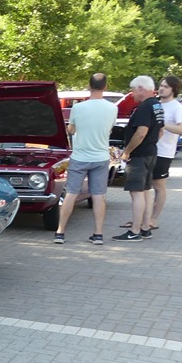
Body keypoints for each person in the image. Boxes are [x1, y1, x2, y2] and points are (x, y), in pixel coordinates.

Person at [54, 72, 118, 245]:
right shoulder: (112, 108)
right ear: (105, 86)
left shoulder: (78, 108)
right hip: (100, 157)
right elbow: (109, 129)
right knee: (98, 195)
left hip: (80, 156)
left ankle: (60, 232)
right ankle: (98, 234)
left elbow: (72, 130)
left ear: (89, 86)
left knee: (71, 194)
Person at [113, 75, 163, 242]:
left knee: (136, 193)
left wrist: (127, 152)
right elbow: (160, 131)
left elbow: (141, 132)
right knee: (145, 192)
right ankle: (145, 228)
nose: (132, 93)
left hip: (139, 155)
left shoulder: (144, 107)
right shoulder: (157, 105)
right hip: (151, 152)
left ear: (141, 88)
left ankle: (134, 231)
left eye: (133, 89)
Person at [138, 75, 182, 234]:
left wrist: (163, 124)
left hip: (164, 152)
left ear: (174, 89)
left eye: (165, 86)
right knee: (143, 186)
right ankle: (141, 219)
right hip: (148, 150)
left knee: (158, 186)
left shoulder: (177, 107)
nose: (161, 89)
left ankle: (153, 219)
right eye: (160, 86)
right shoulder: (155, 104)